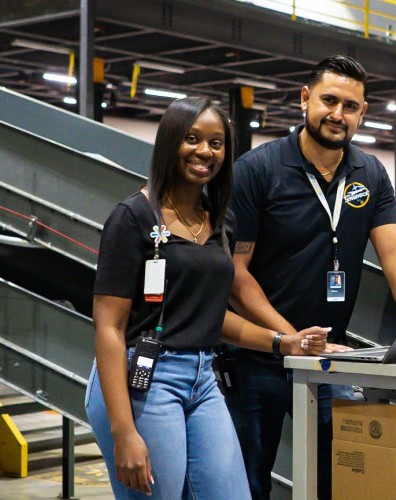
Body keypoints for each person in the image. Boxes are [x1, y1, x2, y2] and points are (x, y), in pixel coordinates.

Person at [226, 55, 396, 500]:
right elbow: (236, 273)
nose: (337, 114)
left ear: (363, 112)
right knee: (248, 478)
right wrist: (290, 337)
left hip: (330, 358)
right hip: (258, 356)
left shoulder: (369, 174)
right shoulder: (258, 170)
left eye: (350, 106)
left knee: (341, 474)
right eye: (328, 100)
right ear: (305, 99)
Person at [84, 96, 329, 500]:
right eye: (193, 139)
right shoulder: (133, 218)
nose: (205, 152)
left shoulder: (219, 221)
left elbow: (210, 317)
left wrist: (281, 342)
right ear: (169, 143)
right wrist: (124, 432)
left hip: (202, 379)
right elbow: (109, 328)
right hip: (144, 381)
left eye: (217, 144)